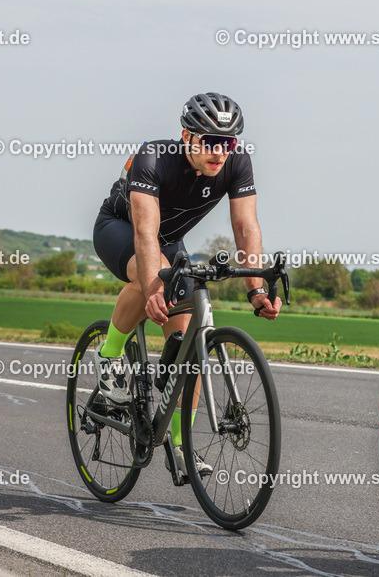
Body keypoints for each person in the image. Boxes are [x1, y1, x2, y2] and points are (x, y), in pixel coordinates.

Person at [93, 92, 281, 478]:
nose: (219, 152)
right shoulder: (154, 157)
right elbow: (146, 234)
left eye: (227, 143)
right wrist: (153, 287)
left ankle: (180, 446)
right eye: (209, 141)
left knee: (189, 348)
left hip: (170, 241)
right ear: (186, 136)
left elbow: (246, 228)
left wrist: (256, 288)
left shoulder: (237, 163)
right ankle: (109, 357)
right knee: (158, 275)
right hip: (120, 229)